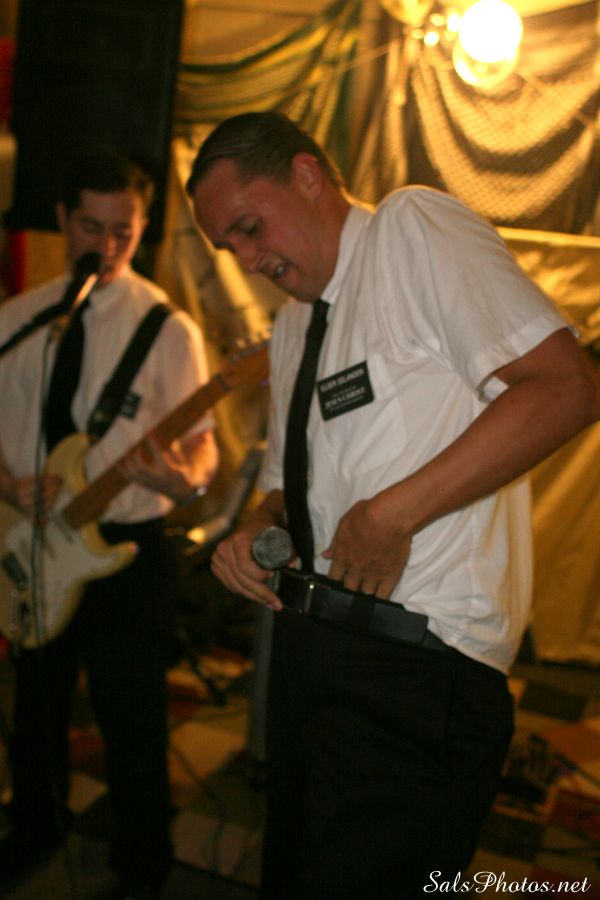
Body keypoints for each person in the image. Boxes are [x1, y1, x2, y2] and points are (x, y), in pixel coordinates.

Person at [186, 112, 600, 900]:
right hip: (312, 651)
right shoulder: (292, 325)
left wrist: (394, 513)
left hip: (418, 663)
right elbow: (287, 489)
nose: (246, 259)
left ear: (307, 174)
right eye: (227, 248)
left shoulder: (409, 228)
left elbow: (568, 388)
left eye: (248, 227)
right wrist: (255, 529)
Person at [0, 154, 218, 900]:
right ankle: (34, 826)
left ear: (143, 226)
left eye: (123, 231)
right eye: (91, 227)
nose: (107, 245)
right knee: (36, 709)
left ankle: (142, 859)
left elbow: (203, 443)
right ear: (63, 219)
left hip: (129, 546)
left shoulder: (167, 329)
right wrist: (10, 484)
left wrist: (186, 480)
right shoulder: (18, 321)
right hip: (32, 542)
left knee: (133, 716)